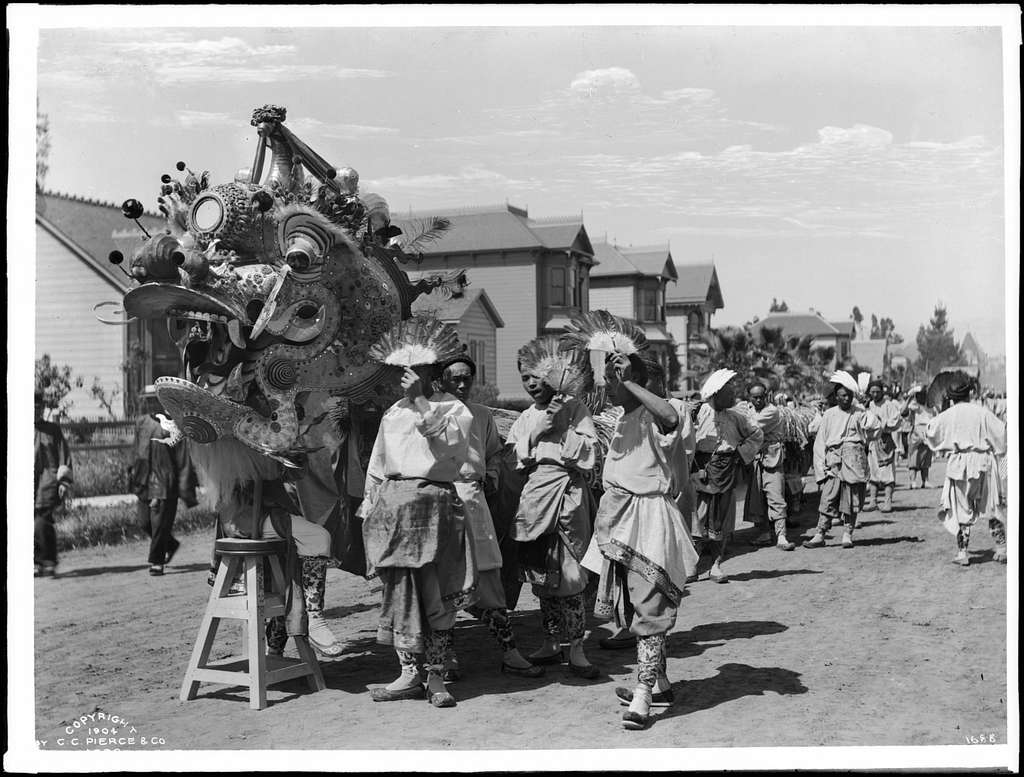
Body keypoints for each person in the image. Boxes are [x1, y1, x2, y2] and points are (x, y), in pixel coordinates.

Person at [582, 353, 700, 730]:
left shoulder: (656, 415)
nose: (607, 385)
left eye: (612, 378)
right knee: (632, 606)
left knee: (650, 608)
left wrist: (631, 381)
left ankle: (644, 694)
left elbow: (672, 418)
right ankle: (661, 683)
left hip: (647, 518)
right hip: (618, 517)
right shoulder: (622, 420)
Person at [360, 362, 476, 707]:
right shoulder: (393, 413)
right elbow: (378, 466)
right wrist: (370, 511)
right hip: (394, 510)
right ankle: (409, 673)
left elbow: (452, 445)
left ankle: (436, 675)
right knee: (400, 593)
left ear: (432, 373)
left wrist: (421, 401)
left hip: (434, 506)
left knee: (436, 594)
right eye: (402, 370)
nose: (407, 376)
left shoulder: (451, 407)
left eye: (417, 369)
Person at [437, 355, 543, 680]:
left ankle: (510, 652)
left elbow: (495, 452)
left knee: (489, 579)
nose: (461, 383)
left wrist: (493, 474)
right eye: (454, 378)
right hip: (442, 503)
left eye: (467, 377)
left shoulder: (482, 415)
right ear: (442, 380)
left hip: (475, 501)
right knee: (445, 581)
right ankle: (446, 656)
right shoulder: (429, 415)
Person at [506, 338, 600, 679]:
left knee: (571, 576)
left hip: (568, 493)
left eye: (536, 375)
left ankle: (576, 647)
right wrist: (536, 433)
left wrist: (561, 430)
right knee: (543, 577)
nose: (531, 384)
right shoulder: (526, 416)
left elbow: (590, 454)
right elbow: (514, 457)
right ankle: (550, 641)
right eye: (524, 377)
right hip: (535, 495)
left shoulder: (575, 409)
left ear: (552, 375)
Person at [690, 369, 764, 582]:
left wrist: (740, 454)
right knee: (697, 519)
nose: (732, 398)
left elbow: (756, 435)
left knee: (720, 521)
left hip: (726, 472)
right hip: (700, 473)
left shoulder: (736, 417)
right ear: (715, 395)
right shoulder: (697, 412)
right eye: (728, 394)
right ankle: (692, 566)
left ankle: (715, 565)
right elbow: (685, 442)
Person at [924, 378, 1008, 566]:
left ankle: (963, 553)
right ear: (969, 393)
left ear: (951, 397)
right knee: (990, 505)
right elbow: (1001, 432)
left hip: (960, 464)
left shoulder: (949, 414)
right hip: (983, 460)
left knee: (962, 508)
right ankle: (1002, 549)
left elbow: (930, 430)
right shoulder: (981, 412)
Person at [804, 373, 881, 549]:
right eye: (843, 396)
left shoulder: (860, 413)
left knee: (852, 498)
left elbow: (875, 428)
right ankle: (820, 533)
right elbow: (820, 443)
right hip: (834, 461)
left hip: (854, 460)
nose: (846, 399)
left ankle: (848, 533)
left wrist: (864, 407)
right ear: (836, 397)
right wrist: (820, 469)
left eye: (849, 395)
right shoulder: (829, 414)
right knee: (828, 497)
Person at [130, 386, 198, 576]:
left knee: (159, 523)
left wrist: (185, 487)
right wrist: (132, 473)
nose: (152, 403)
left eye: (155, 399)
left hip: (165, 482)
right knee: (144, 522)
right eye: (149, 399)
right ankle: (171, 544)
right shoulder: (141, 422)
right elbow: (136, 451)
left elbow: (183, 459)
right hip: (144, 480)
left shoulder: (174, 425)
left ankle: (157, 561)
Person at [744, 384, 796, 551]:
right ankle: (765, 533)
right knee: (758, 497)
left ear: (766, 396)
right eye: (754, 397)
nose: (758, 400)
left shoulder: (771, 411)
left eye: (761, 396)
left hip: (772, 457)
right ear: (750, 397)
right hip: (756, 457)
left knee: (775, 495)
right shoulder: (751, 409)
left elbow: (751, 427)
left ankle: (781, 535)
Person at [34, 391, 74, 577]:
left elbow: (64, 456)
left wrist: (64, 481)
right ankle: (36, 562)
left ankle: (48, 560)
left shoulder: (53, 430)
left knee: (42, 520)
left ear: (43, 408)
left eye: (38, 407)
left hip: (48, 483)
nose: (35, 411)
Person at [863, 380, 901, 512]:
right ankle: (873, 501)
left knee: (887, 473)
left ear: (882, 391)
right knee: (873, 473)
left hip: (885, 442)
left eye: (877, 392)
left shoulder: (889, 405)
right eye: (872, 392)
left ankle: (887, 502)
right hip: (873, 443)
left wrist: (882, 422)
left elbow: (897, 420)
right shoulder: (869, 405)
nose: (874, 394)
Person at [900, 385, 935, 489]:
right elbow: (903, 412)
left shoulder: (930, 406)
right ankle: (913, 481)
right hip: (916, 433)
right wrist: (910, 398)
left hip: (928, 432)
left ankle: (925, 481)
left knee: (926, 459)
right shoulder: (914, 405)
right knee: (914, 458)